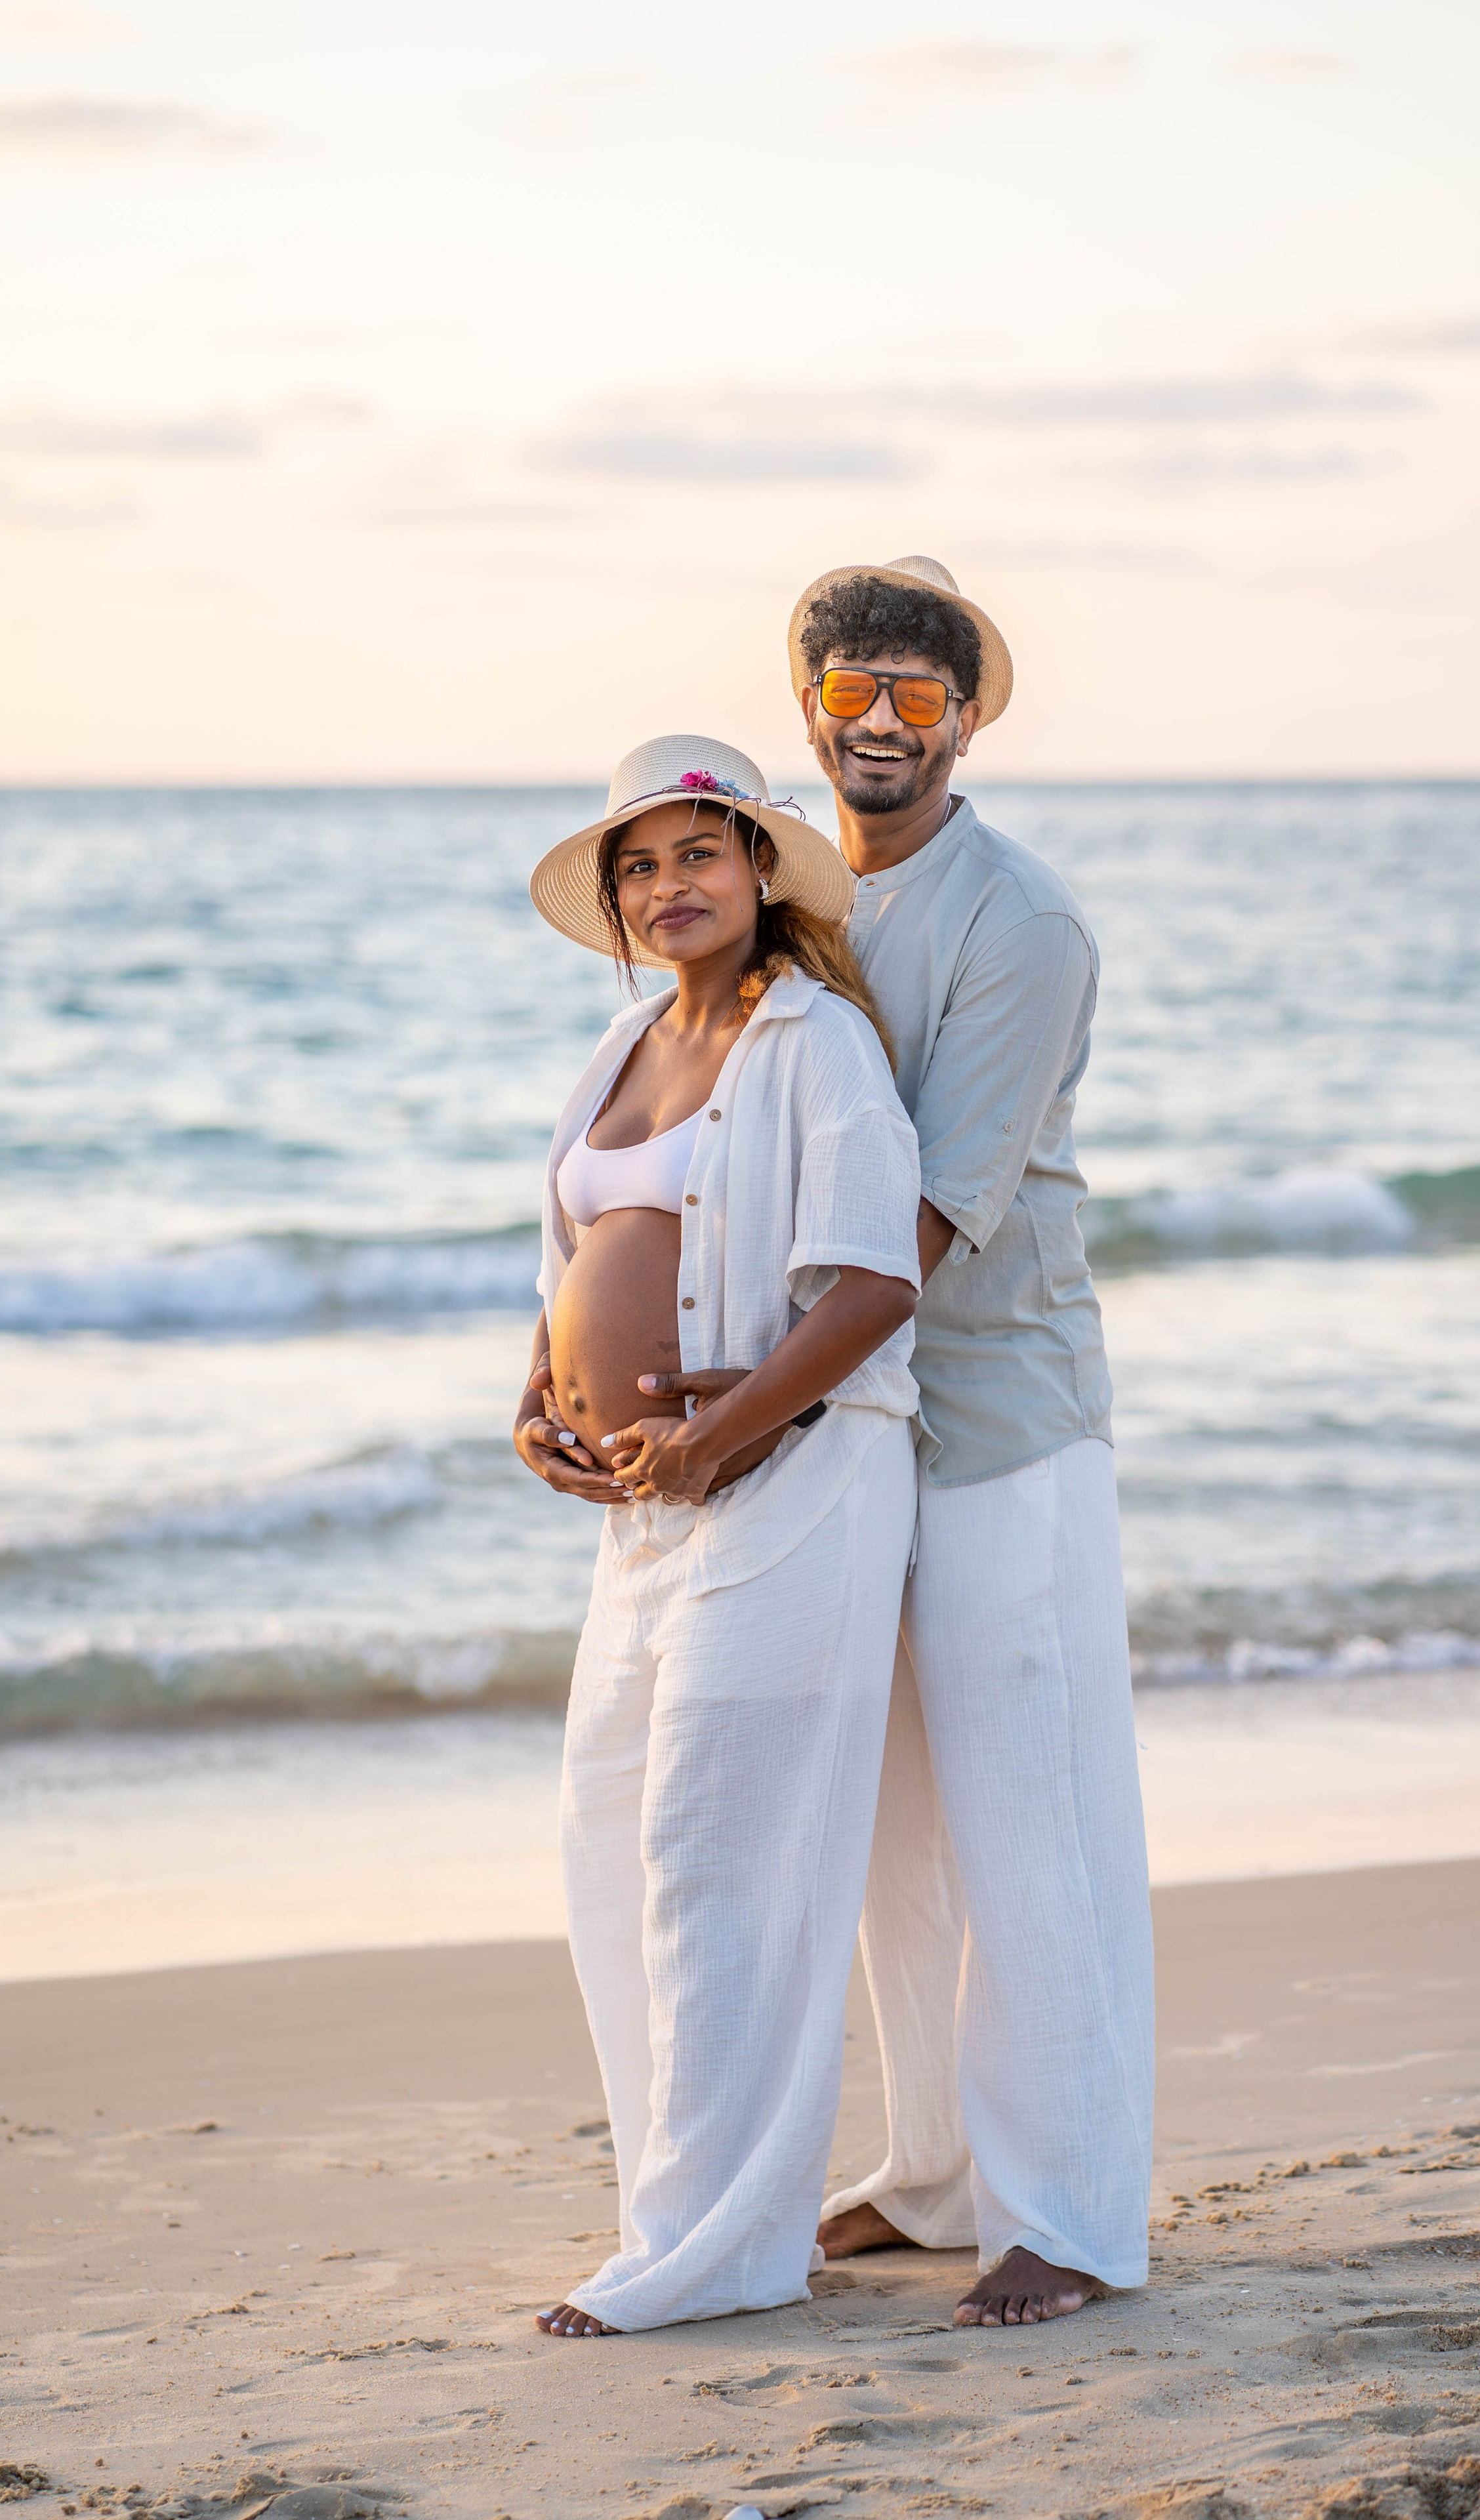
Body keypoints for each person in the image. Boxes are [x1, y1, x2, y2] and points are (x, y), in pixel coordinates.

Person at [516, 732, 924, 2336]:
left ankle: (724, 2249)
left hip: (792, 1491)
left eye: (697, 853)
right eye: (638, 865)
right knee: (607, 1844)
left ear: (758, 867)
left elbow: (877, 1279)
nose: (665, 885)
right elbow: (574, 1254)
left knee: (715, 1855)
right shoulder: (621, 1042)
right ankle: (668, 2213)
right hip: (645, 1512)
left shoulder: (818, 1039)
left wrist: (718, 1430)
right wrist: (537, 1394)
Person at [787, 556, 1155, 2327]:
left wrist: (734, 1401)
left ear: (965, 719)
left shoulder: (1022, 922)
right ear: (808, 710)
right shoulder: (795, 892)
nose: (879, 723)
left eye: (915, 696)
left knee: (1033, 1815)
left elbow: (929, 1218)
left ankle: (1068, 2213)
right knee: (892, 1832)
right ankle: (932, 2168)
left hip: (1001, 1416)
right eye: (849, 689)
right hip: (853, 1417)